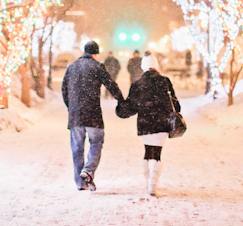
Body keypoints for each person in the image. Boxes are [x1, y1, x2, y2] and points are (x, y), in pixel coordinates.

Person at [62, 40, 124, 191]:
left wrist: (71, 107)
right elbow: (111, 84)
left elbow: (64, 90)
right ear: (95, 53)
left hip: (75, 115)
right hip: (93, 114)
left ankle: (80, 182)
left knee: (77, 148)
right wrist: (121, 101)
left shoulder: (72, 66)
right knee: (96, 143)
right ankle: (88, 170)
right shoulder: (97, 66)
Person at [121, 54, 180, 196]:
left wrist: (121, 107)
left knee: (147, 151)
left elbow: (131, 107)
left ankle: (148, 179)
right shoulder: (165, 82)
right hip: (162, 124)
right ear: (156, 65)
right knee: (157, 153)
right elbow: (175, 105)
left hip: (144, 124)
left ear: (143, 66)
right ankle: (153, 184)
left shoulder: (138, 83)